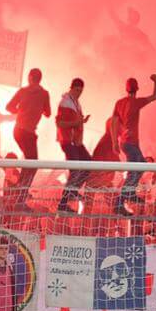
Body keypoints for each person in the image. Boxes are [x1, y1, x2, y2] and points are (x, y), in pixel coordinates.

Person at [110, 74, 156, 216]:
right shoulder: (136, 102)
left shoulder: (119, 103)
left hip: (125, 142)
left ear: (126, 89)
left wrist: (115, 142)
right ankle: (120, 203)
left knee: (140, 165)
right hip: (131, 142)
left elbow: (113, 123)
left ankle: (130, 193)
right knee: (135, 170)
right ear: (136, 89)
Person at [6, 68, 51, 206]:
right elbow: (48, 113)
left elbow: (9, 107)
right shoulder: (44, 94)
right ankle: (20, 192)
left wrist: (21, 109)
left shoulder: (23, 91)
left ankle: (20, 190)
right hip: (27, 132)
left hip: (19, 130)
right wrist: (36, 108)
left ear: (30, 77)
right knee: (32, 163)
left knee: (30, 162)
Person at [55, 78, 91, 213]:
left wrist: (82, 121)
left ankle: (73, 191)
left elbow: (76, 122)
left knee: (88, 163)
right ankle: (63, 203)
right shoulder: (65, 102)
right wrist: (77, 123)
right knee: (76, 169)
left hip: (75, 142)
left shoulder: (75, 102)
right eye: (77, 90)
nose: (79, 93)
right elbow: (60, 123)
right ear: (72, 88)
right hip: (67, 141)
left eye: (81, 91)